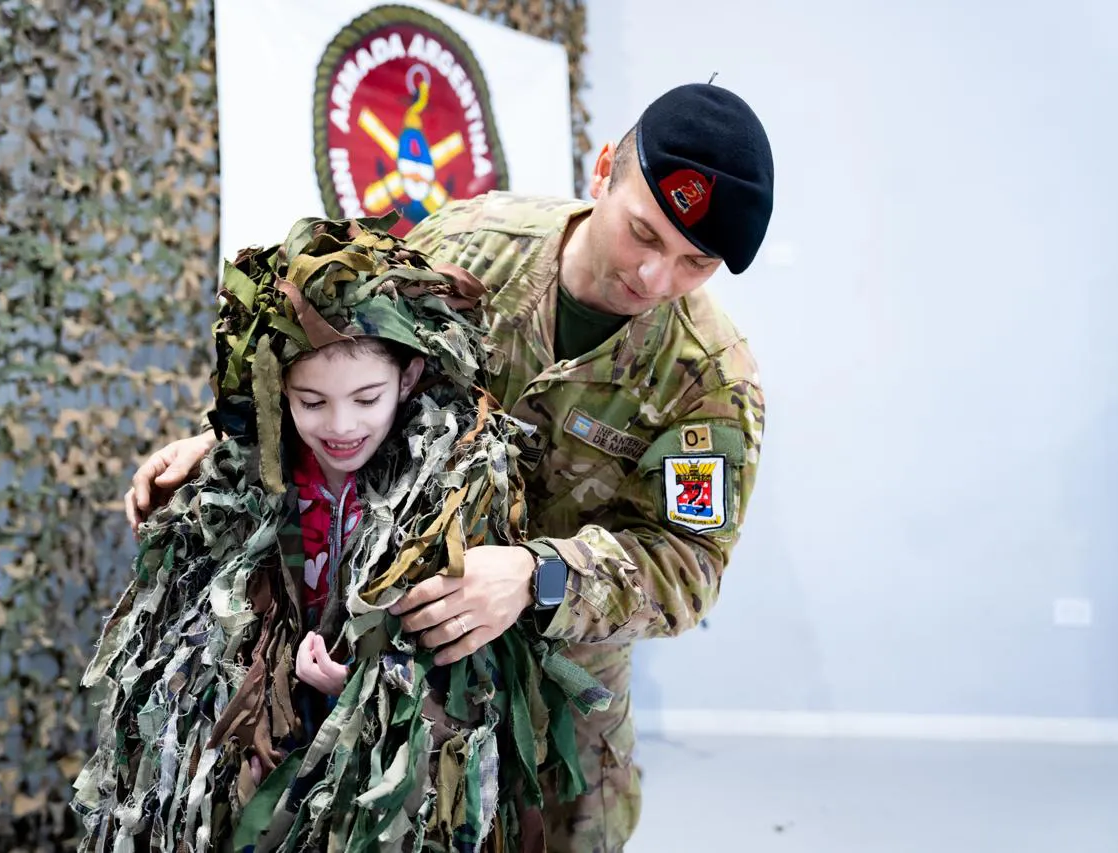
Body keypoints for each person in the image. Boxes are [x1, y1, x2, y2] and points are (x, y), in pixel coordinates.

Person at [125, 82, 774, 851]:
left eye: (695, 262)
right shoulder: (474, 246)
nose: (656, 278)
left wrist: (540, 577)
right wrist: (224, 441)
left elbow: (686, 563)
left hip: (561, 693)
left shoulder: (708, 378)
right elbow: (338, 358)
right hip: (400, 654)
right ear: (603, 170)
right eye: (643, 233)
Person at [73, 216, 608, 852]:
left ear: (408, 379)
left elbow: (467, 686)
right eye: (311, 402)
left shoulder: (450, 490)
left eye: (367, 397)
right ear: (278, 393)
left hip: (379, 787)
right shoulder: (244, 483)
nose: (342, 424)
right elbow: (189, 647)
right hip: (255, 768)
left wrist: (361, 684)